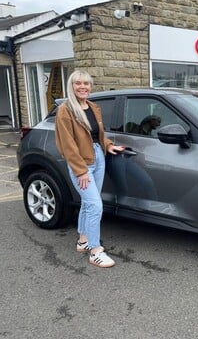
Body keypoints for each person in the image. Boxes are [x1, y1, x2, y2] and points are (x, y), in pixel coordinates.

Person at [55, 70, 124, 268]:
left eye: (86, 83)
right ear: (72, 86)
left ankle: (83, 241)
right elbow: (67, 144)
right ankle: (95, 251)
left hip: (99, 157)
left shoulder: (93, 107)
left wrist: (108, 145)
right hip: (82, 162)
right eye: (78, 83)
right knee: (95, 205)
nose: (83, 86)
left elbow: (97, 134)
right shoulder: (65, 110)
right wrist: (80, 170)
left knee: (87, 203)